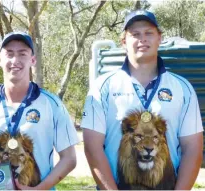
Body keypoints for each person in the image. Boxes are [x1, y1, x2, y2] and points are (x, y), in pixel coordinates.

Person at [82, 10, 203, 190]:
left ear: (159, 38)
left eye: (148, 33)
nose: (142, 39)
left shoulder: (182, 88)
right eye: (135, 34)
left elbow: (192, 147)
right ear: (124, 41)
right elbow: (92, 147)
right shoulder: (103, 87)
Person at [0, 32, 79, 190]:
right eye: (9, 53)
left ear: (32, 60)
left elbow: (69, 158)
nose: (15, 60)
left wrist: (39, 189)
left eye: (22, 53)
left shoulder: (52, 104)